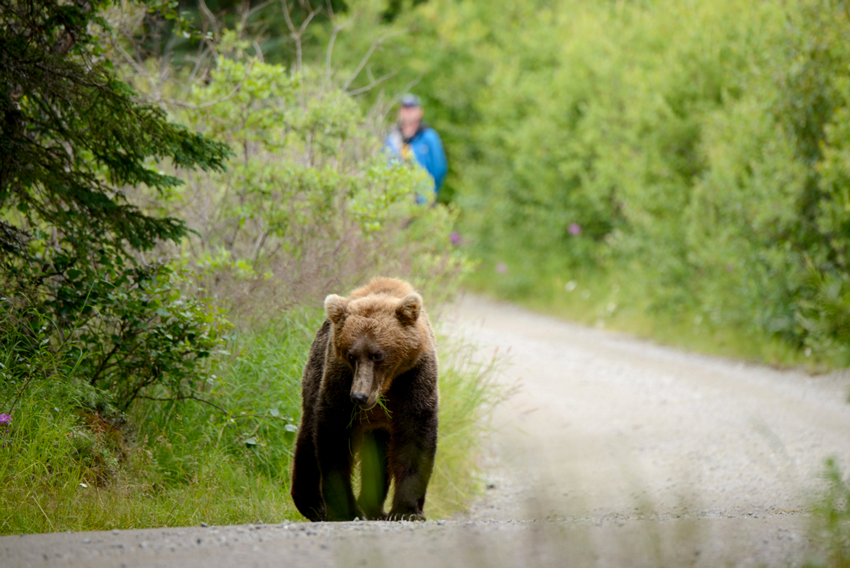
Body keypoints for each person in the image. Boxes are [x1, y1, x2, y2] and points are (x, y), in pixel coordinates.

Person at [385, 94, 448, 203]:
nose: (408, 113)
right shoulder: (392, 138)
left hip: (422, 201)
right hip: (397, 200)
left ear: (420, 111)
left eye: (411, 109)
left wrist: (428, 194)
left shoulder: (429, 137)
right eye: (405, 109)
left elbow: (439, 168)